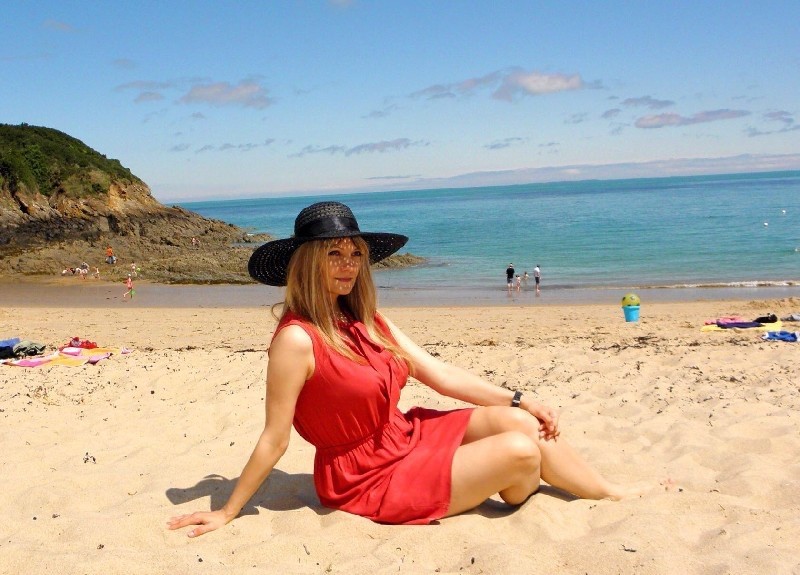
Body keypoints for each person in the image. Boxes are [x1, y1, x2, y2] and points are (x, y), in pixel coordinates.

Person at [168, 201, 648, 538]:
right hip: (362, 477)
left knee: (521, 423)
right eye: (333, 253)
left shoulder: (367, 320)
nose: (348, 265)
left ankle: (606, 491)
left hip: (403, 436)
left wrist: (521, 399)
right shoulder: (297, 340)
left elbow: (439, 374)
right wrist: (229, 510)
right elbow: (275, 438)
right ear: (307, 261)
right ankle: (519, 481)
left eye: (355, 253)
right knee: (521, 452)